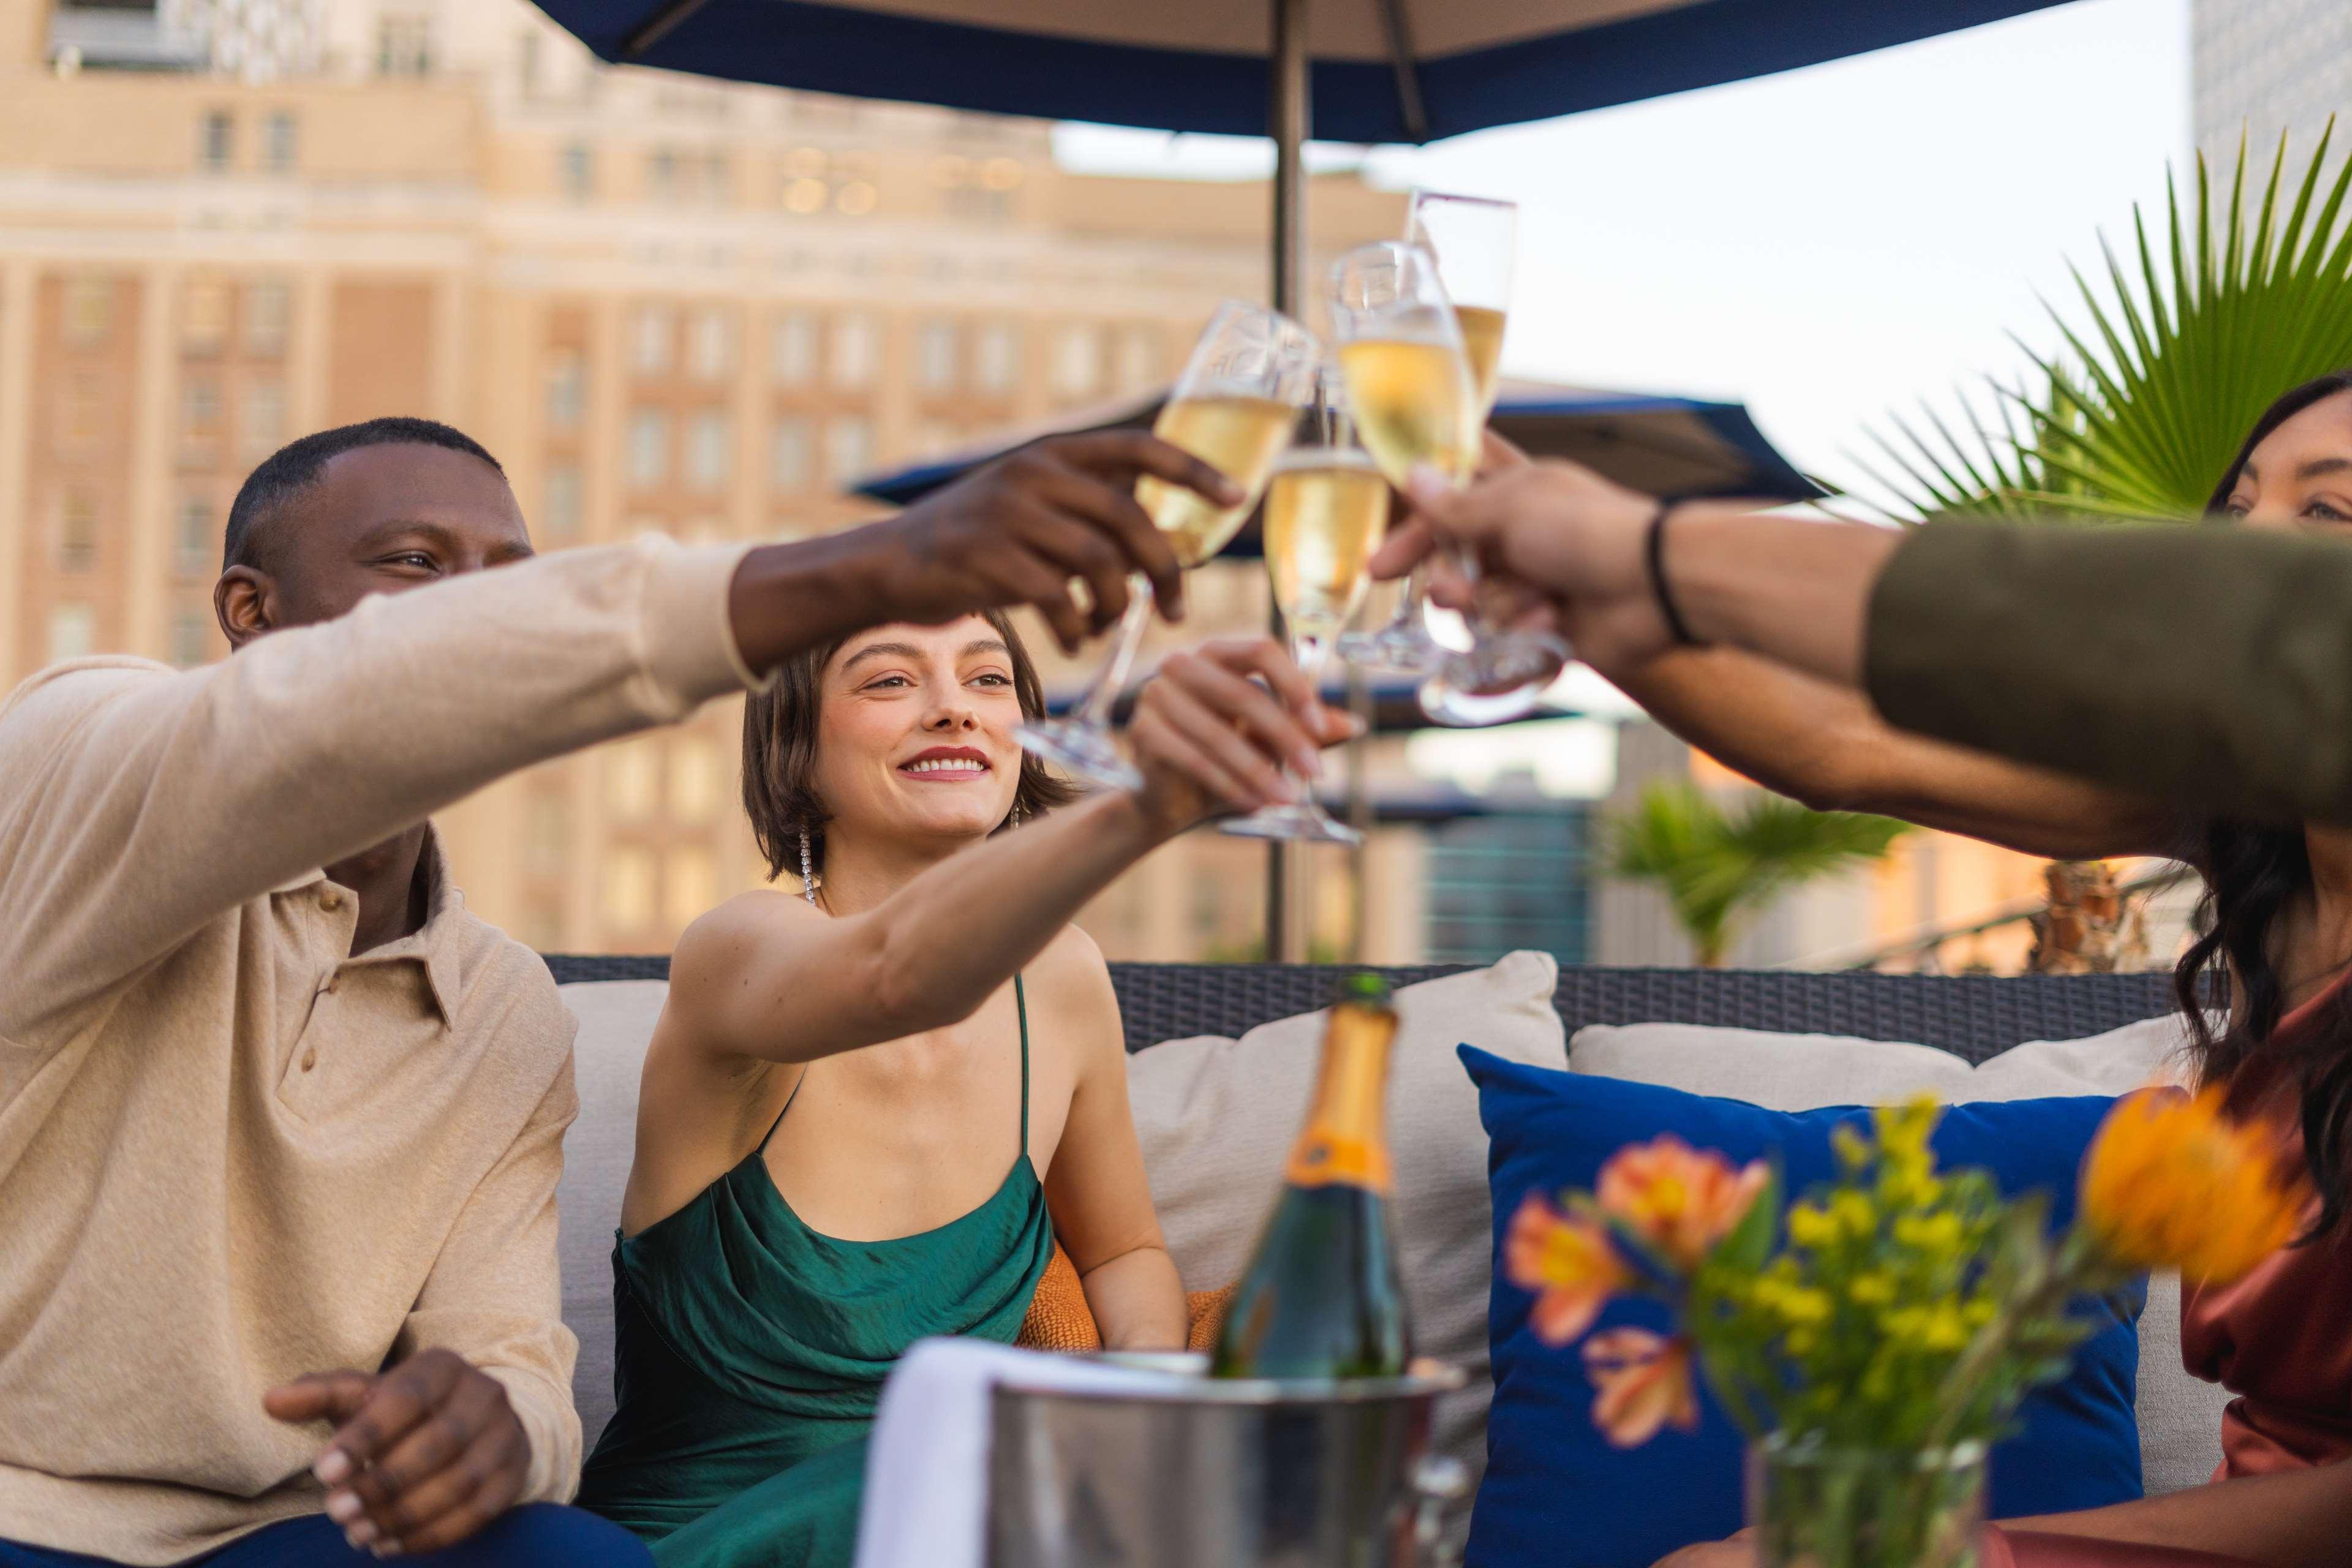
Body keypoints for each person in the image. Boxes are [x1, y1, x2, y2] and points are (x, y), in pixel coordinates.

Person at [0, 414, 1259, 1568]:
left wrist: (490, 1424)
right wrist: (882, 563)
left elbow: (508, 1352)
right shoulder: (77, 763)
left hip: (291, 1531)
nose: (484, 616)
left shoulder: (499, 1005)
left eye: (516, 580)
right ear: (249, 610)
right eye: (417, 564)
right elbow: (883, 976)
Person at [1387, 379, 2352, 1568]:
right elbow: (1840, 747)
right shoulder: (2255, 830)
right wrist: (1575, 607)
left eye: (2326, 517)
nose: (2242, 551)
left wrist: (1632, 543)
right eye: (2240, 506)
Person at [574, 619, 1344, 1566]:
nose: (954, 706)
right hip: (721, 1540)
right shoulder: (736, 952)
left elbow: (1124, 1249)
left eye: (988, 679)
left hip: (979, 1522)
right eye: (891, 680)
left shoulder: (1062, 977)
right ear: (796, 750)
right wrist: (1145, 800)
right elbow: (893, 977)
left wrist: (1147, 1402)